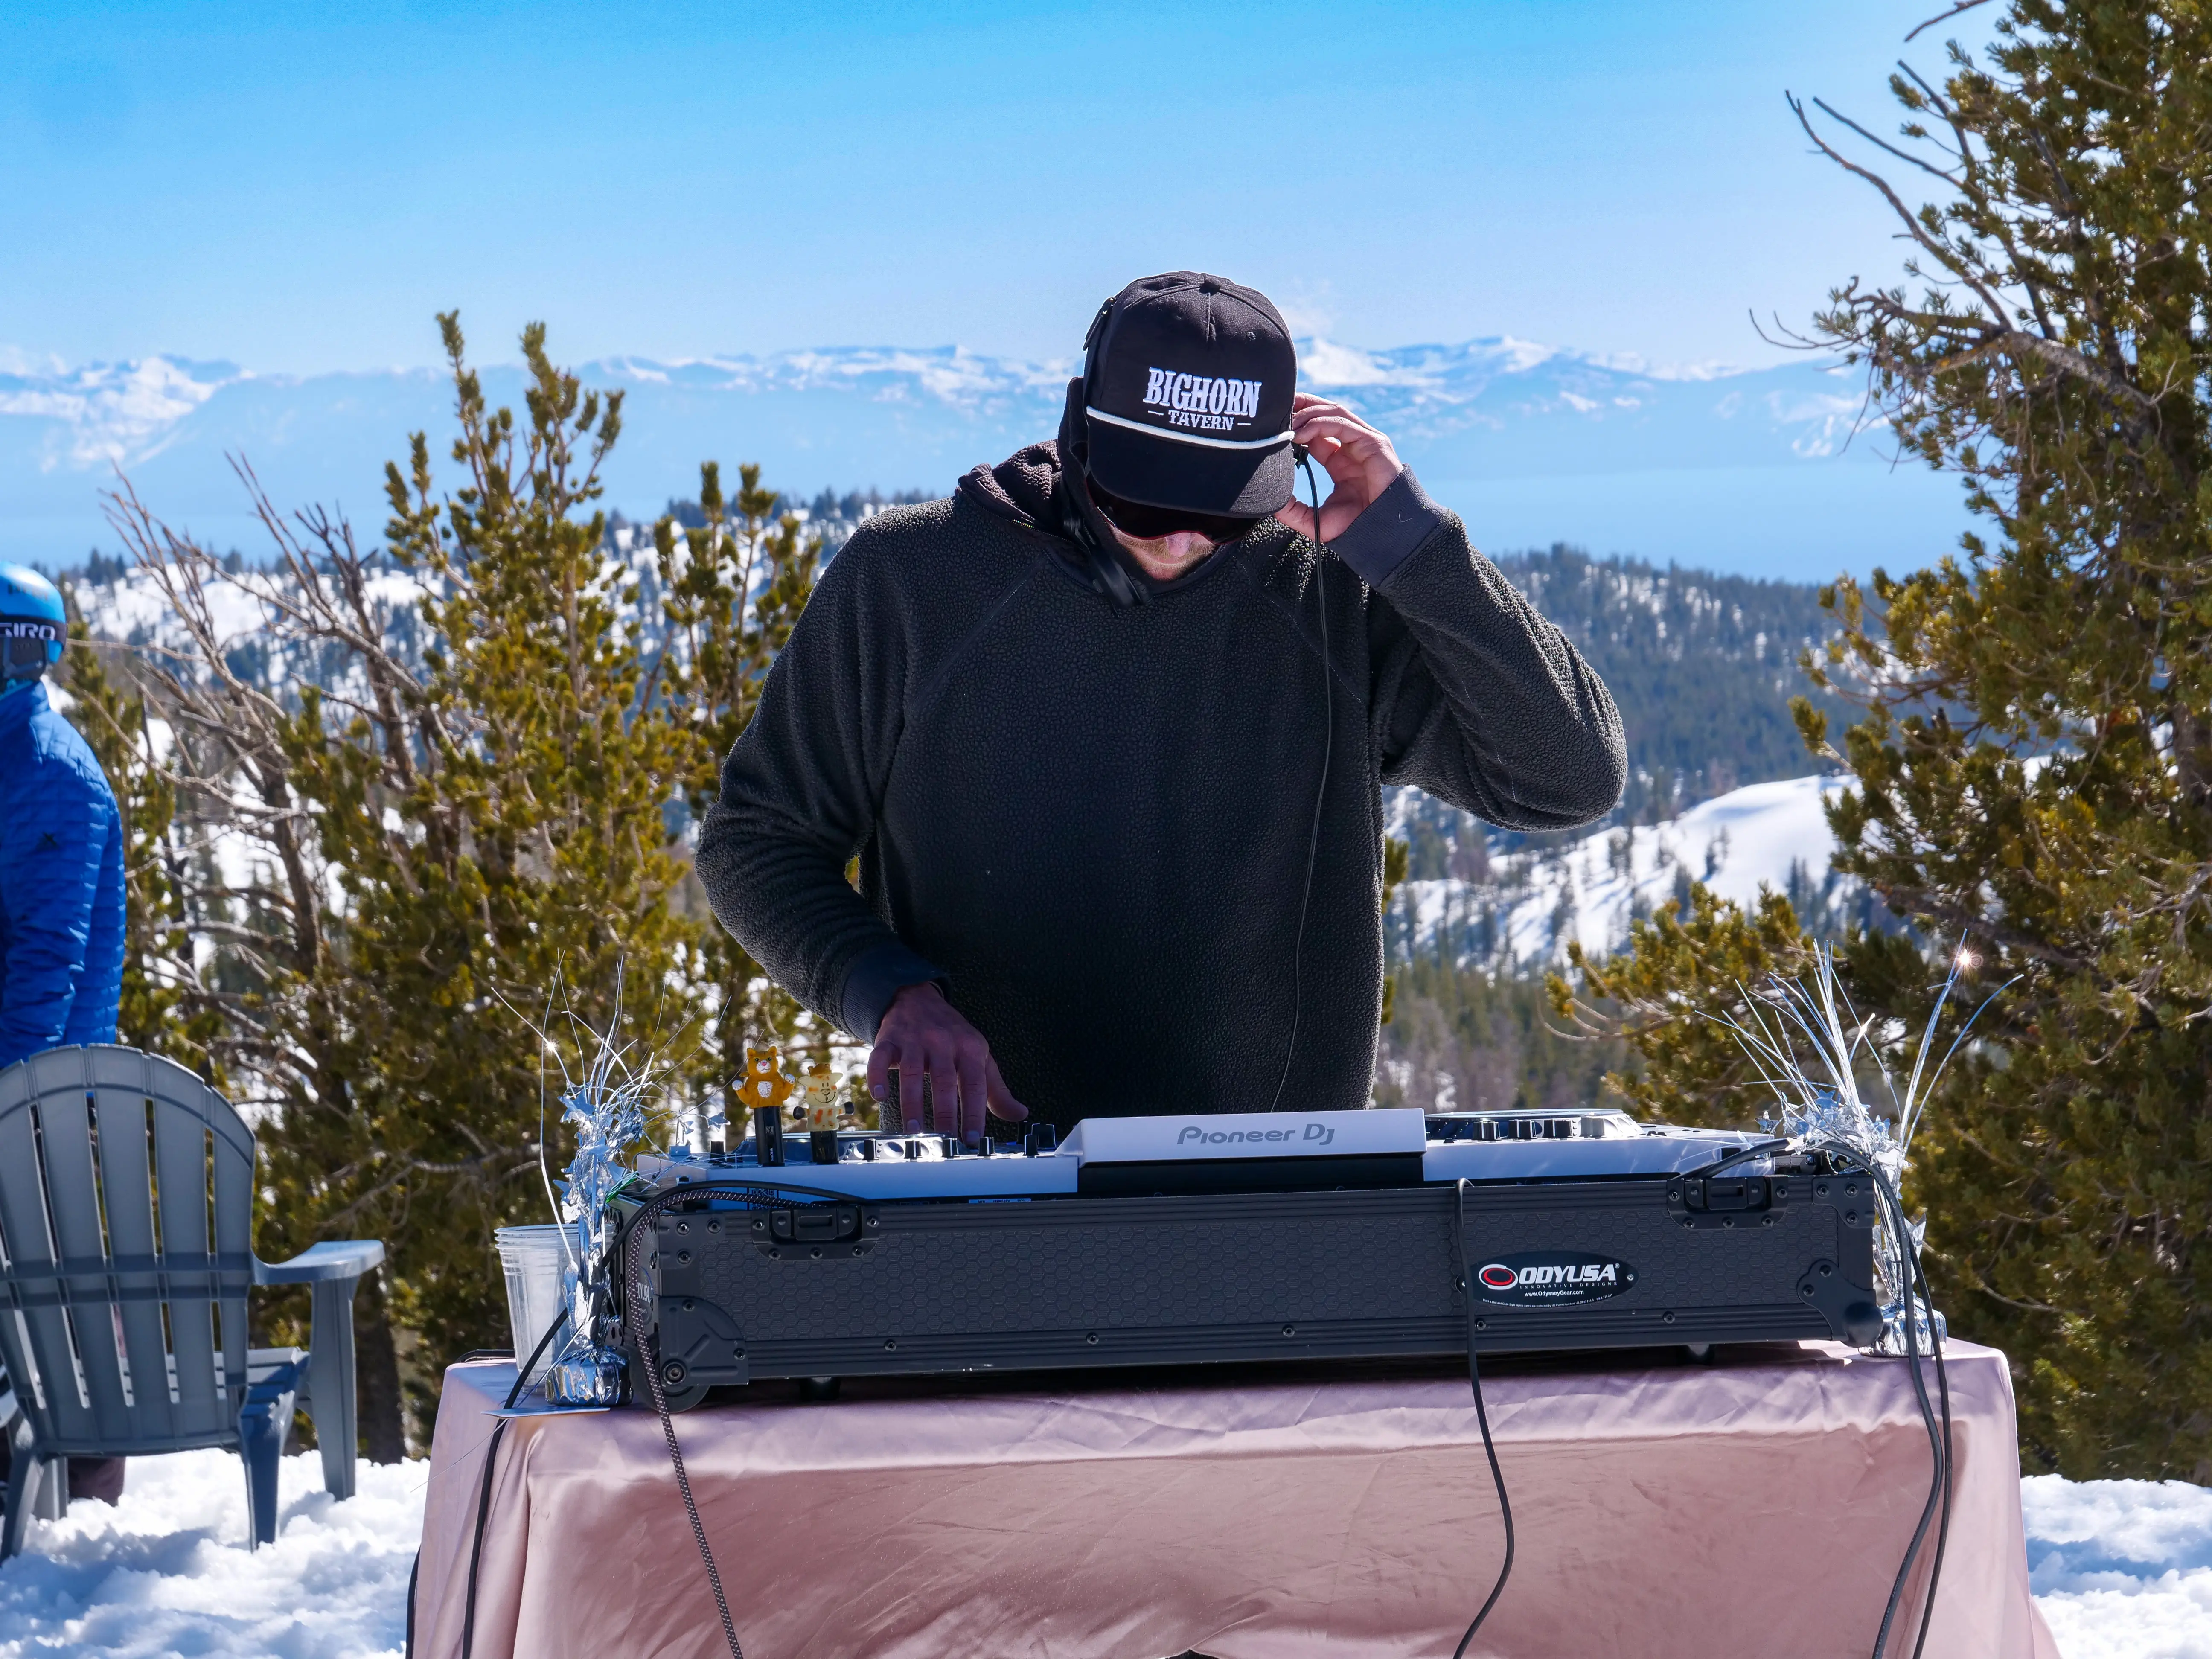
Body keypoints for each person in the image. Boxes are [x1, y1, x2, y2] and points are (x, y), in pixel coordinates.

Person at [698, 273, 1624, 1145]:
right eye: (1148, 501)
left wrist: (1415, 547)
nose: (1186, 537)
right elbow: (758, 838)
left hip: (1281, 1188)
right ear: (1080, 433)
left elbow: (1568, 780)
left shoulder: (1331, 596)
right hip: (985, 1187)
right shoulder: (913, 581)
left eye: (1227, 509)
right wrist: (889, 993)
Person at [0, 562, 126, 1505]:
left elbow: (50, 958)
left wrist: (10, 1094)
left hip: (40, 1089)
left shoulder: (49, 773)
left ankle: (84, 1497)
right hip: (21, 1080)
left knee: (62, 1282)